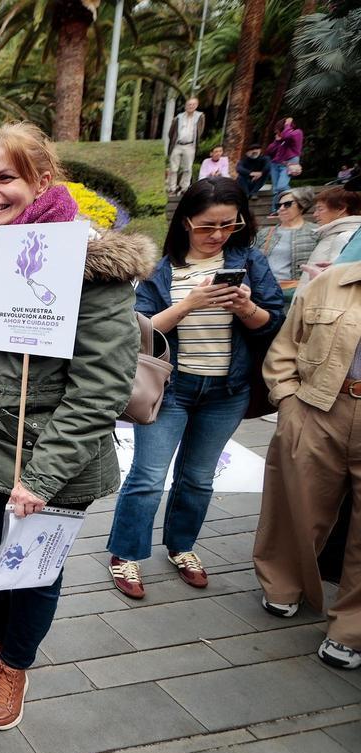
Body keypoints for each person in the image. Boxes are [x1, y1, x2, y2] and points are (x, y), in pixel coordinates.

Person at [0, 123, 151, 730]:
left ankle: (15, 660)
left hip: (48, 461)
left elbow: (102, 388)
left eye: (5, 178)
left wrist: (41, 477)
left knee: (32, 570)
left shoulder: (91, 266)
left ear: (42, 179)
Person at [106, 177, 284, 601]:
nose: (218, 235)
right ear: (186, 221)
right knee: (149, 476)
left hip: (227, 389)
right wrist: (187, 305)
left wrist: (247, 307)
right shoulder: (163, 270)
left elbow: (273, 321)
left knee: (199, 478)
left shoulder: (250, 263)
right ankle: (125, 553)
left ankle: (181, 546)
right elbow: (138, 332)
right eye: (207, 226)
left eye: (228, 225)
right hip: (172, 389)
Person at [253, 253, 361, 670]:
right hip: (318, 408)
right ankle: (283, 584)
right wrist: (288, 400)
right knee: (295, 504)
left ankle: (350, 628)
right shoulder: (331, 281)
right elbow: (285, 347)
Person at [253, 187, 317, 287]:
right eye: (278, 205)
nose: (281, 208)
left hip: (300, 289)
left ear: (302, 206)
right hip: (266, 289)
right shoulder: (264, 233)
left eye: (287, 204)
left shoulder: (315, 232)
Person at [301, 187, 361, 283]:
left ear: (341, 209)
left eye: (320, 209)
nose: (315, 214)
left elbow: (336, 280)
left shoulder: (345, 236)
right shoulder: (334, 234)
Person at [266, 118, 304, 216]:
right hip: (275, 164)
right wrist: (276, 142)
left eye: (278, 129)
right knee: (276, 189)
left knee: (282, 186)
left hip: (289, 163)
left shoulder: (297, 133)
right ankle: (275, 209)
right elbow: (269, 151)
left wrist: (287, 124)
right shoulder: (281, 139)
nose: (277, 132)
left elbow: (288, 136)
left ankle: (296, 199)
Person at [167, 97, 205, 195]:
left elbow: (200, 131)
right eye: (189, 104)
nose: (190, 106)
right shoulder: (178, 117)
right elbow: (171, 133)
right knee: (173, 168)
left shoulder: (200, 117)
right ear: (185, 105)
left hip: (190, 146)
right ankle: (172, 188)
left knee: (187, 169)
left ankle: (184, 188)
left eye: (193, 104)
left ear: (196, 105)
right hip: (177, 145)